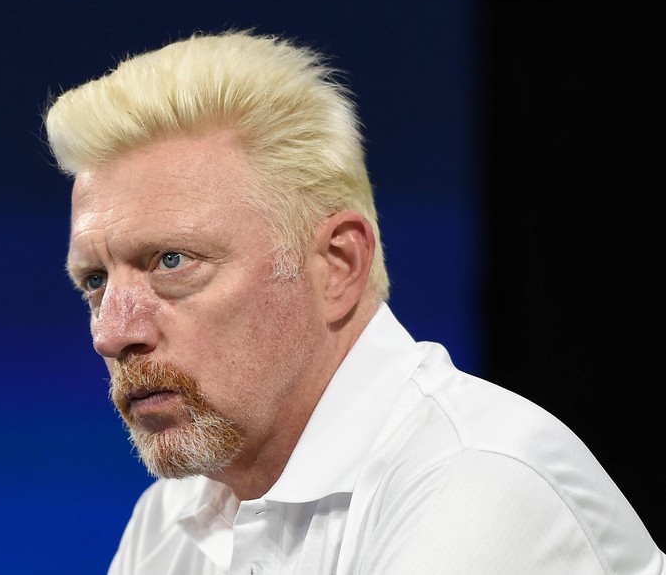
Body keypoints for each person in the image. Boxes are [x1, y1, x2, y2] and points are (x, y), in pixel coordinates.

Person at [44, 30, 664, 574]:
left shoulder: (478, 480)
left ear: (338, 264)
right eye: (95, 280)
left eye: (171, 262)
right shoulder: (176, 516)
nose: (111, 333)